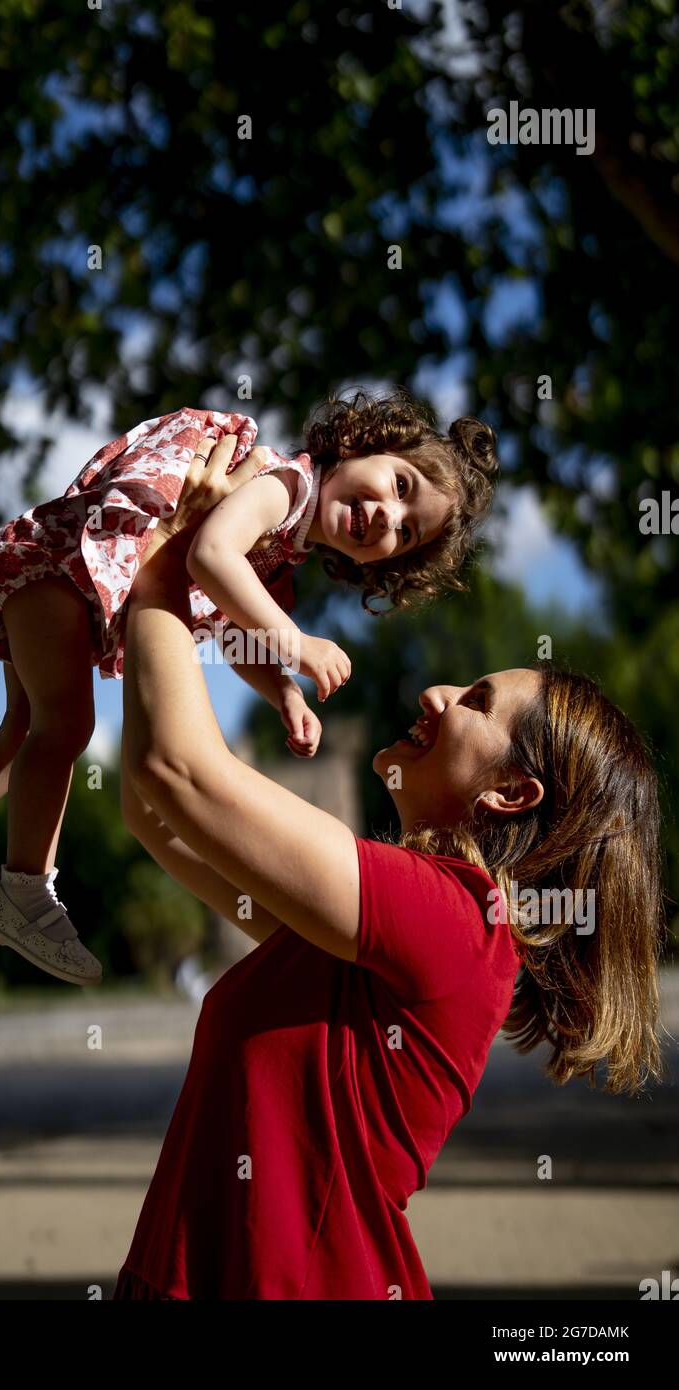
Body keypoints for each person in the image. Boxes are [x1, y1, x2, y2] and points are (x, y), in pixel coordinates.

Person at [111, 433, 666, 1301]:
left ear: (514, 793)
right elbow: (153, 811)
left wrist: (169, 563)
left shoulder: (458, 921)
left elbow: (178, 773)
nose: (437, 694)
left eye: (477, 702)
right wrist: (175, 578)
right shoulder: (386, 932)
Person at [0, 390, 497, 985]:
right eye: (400, 484)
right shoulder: (286, 486)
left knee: (22, 731)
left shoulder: (284, 552)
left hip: (61, 582)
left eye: (406, 532)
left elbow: (234, 630)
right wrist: (299, 645)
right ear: (360, 447)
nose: (387, 514)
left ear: (380, 565)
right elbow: (209, 556)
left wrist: (284, 693)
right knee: (65, 728)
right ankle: (24, 887)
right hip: (59, 571)